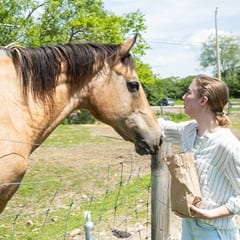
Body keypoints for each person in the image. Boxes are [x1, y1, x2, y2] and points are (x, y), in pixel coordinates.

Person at [158, 74, 240, 240]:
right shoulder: (188, 130)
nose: (183, 97)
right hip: (189, 228)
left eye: (188, 93)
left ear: (203, 100)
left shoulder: (227, 145)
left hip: (214, 232)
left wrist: (210, 214)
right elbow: (160, 127)